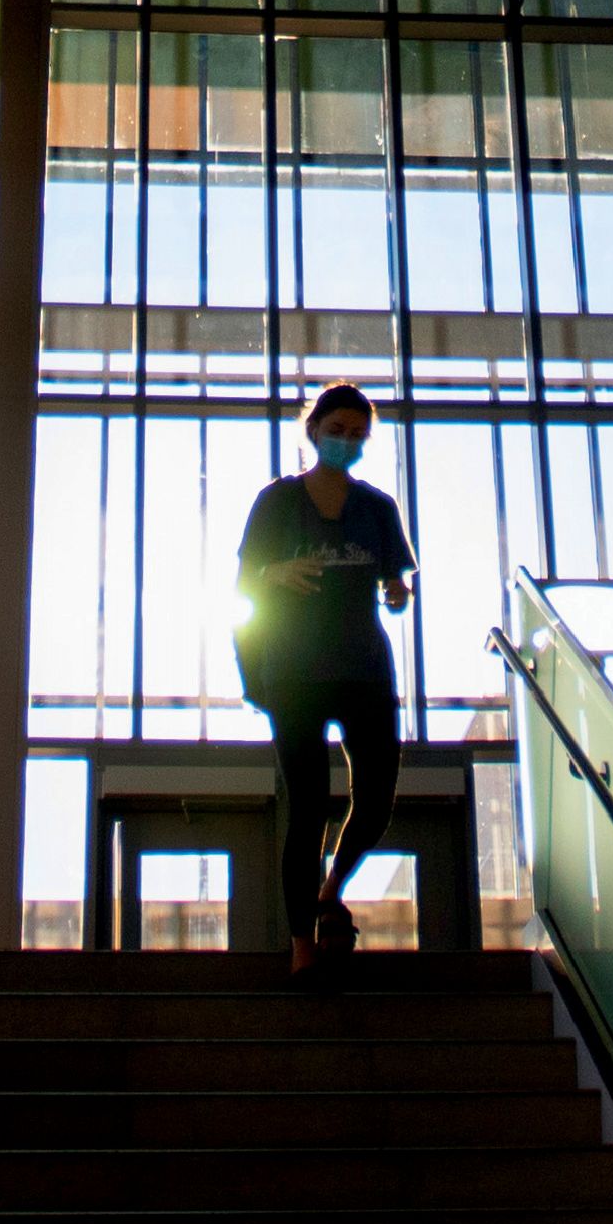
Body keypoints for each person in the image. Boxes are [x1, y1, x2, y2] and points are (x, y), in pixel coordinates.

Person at [234, 384, 417, 983]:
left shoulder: (377, 508)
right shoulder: (277, 501)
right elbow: (244, 584)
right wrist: (274, 571)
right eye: (336, 430)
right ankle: (301, 944)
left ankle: (331, 885)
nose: (346, 442)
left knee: (377, 799)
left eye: (357, 435)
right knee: (308, 807)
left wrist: (397, 591)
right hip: (295, 668)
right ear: (313, 431)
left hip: (363, 664)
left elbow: (397, 580)